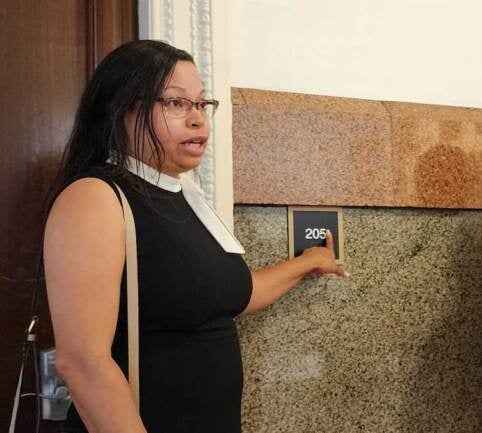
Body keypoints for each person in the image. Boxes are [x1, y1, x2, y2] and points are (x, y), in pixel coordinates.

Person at [43, 40, 347, 433]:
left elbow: (230, 294)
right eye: (175, 103)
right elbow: (82, 361)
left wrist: (308, 262)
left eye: (202, 104)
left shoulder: (182, 195)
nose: (198, 120)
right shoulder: (95, 197)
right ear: (121, 110)